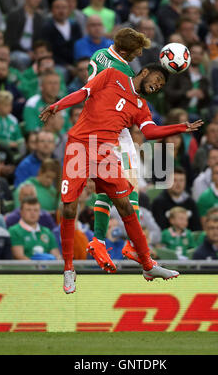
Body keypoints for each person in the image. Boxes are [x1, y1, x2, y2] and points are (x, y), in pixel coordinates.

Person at [39, 63, 203, 293]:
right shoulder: (112, 76)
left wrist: (179, 128)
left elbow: (149, 131)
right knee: (68, 208)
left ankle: (148, 265)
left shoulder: (140, 105)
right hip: (80, 147)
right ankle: (68, 268)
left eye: (161, 86)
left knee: (125, 204)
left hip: (106, 153)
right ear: (145, 71)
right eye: (157, 79)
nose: (157, 86)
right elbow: (83, 92)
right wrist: (58, 105)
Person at [87, 28, 151, 268]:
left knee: (107, 186)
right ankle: (131, 245)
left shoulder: (99, 54)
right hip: (112, 130)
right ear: (125, 51)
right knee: (129, 184)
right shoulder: (123, 70)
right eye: (137, 51)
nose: (139, 54)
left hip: (94, 126)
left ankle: (98, 241)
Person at [4, 0, 45, 71]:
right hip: (16, 51)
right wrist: (27, 52)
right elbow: (10, 40)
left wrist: (37, 52)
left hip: (33, 52)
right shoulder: (14, 15)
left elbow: (39, 40)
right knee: (22, 59)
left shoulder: (39, 18)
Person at [152, 166, 201, 231]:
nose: (178, 184)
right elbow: (159, 228)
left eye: (181, 180)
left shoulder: (190, 202)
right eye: (174, 180)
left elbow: (197, 228)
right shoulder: (159, 203)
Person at [41, 0, 82, 67]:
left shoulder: (75, 26)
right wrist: (66, 66)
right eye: (57, 7)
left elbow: (80, 47)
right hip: (56, 64)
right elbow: (47, 52)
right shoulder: (47, 28)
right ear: (52, 10)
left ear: (69, 10)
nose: (61, 11)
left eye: (64, 7)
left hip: (75, 63)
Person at [0, 90, 25, 155]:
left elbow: (19, 137)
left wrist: (19, 143)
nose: (9, 107)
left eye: (10, 105)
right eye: (6, 105)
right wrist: (6, 143)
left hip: (13, 148)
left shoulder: (13, 119)